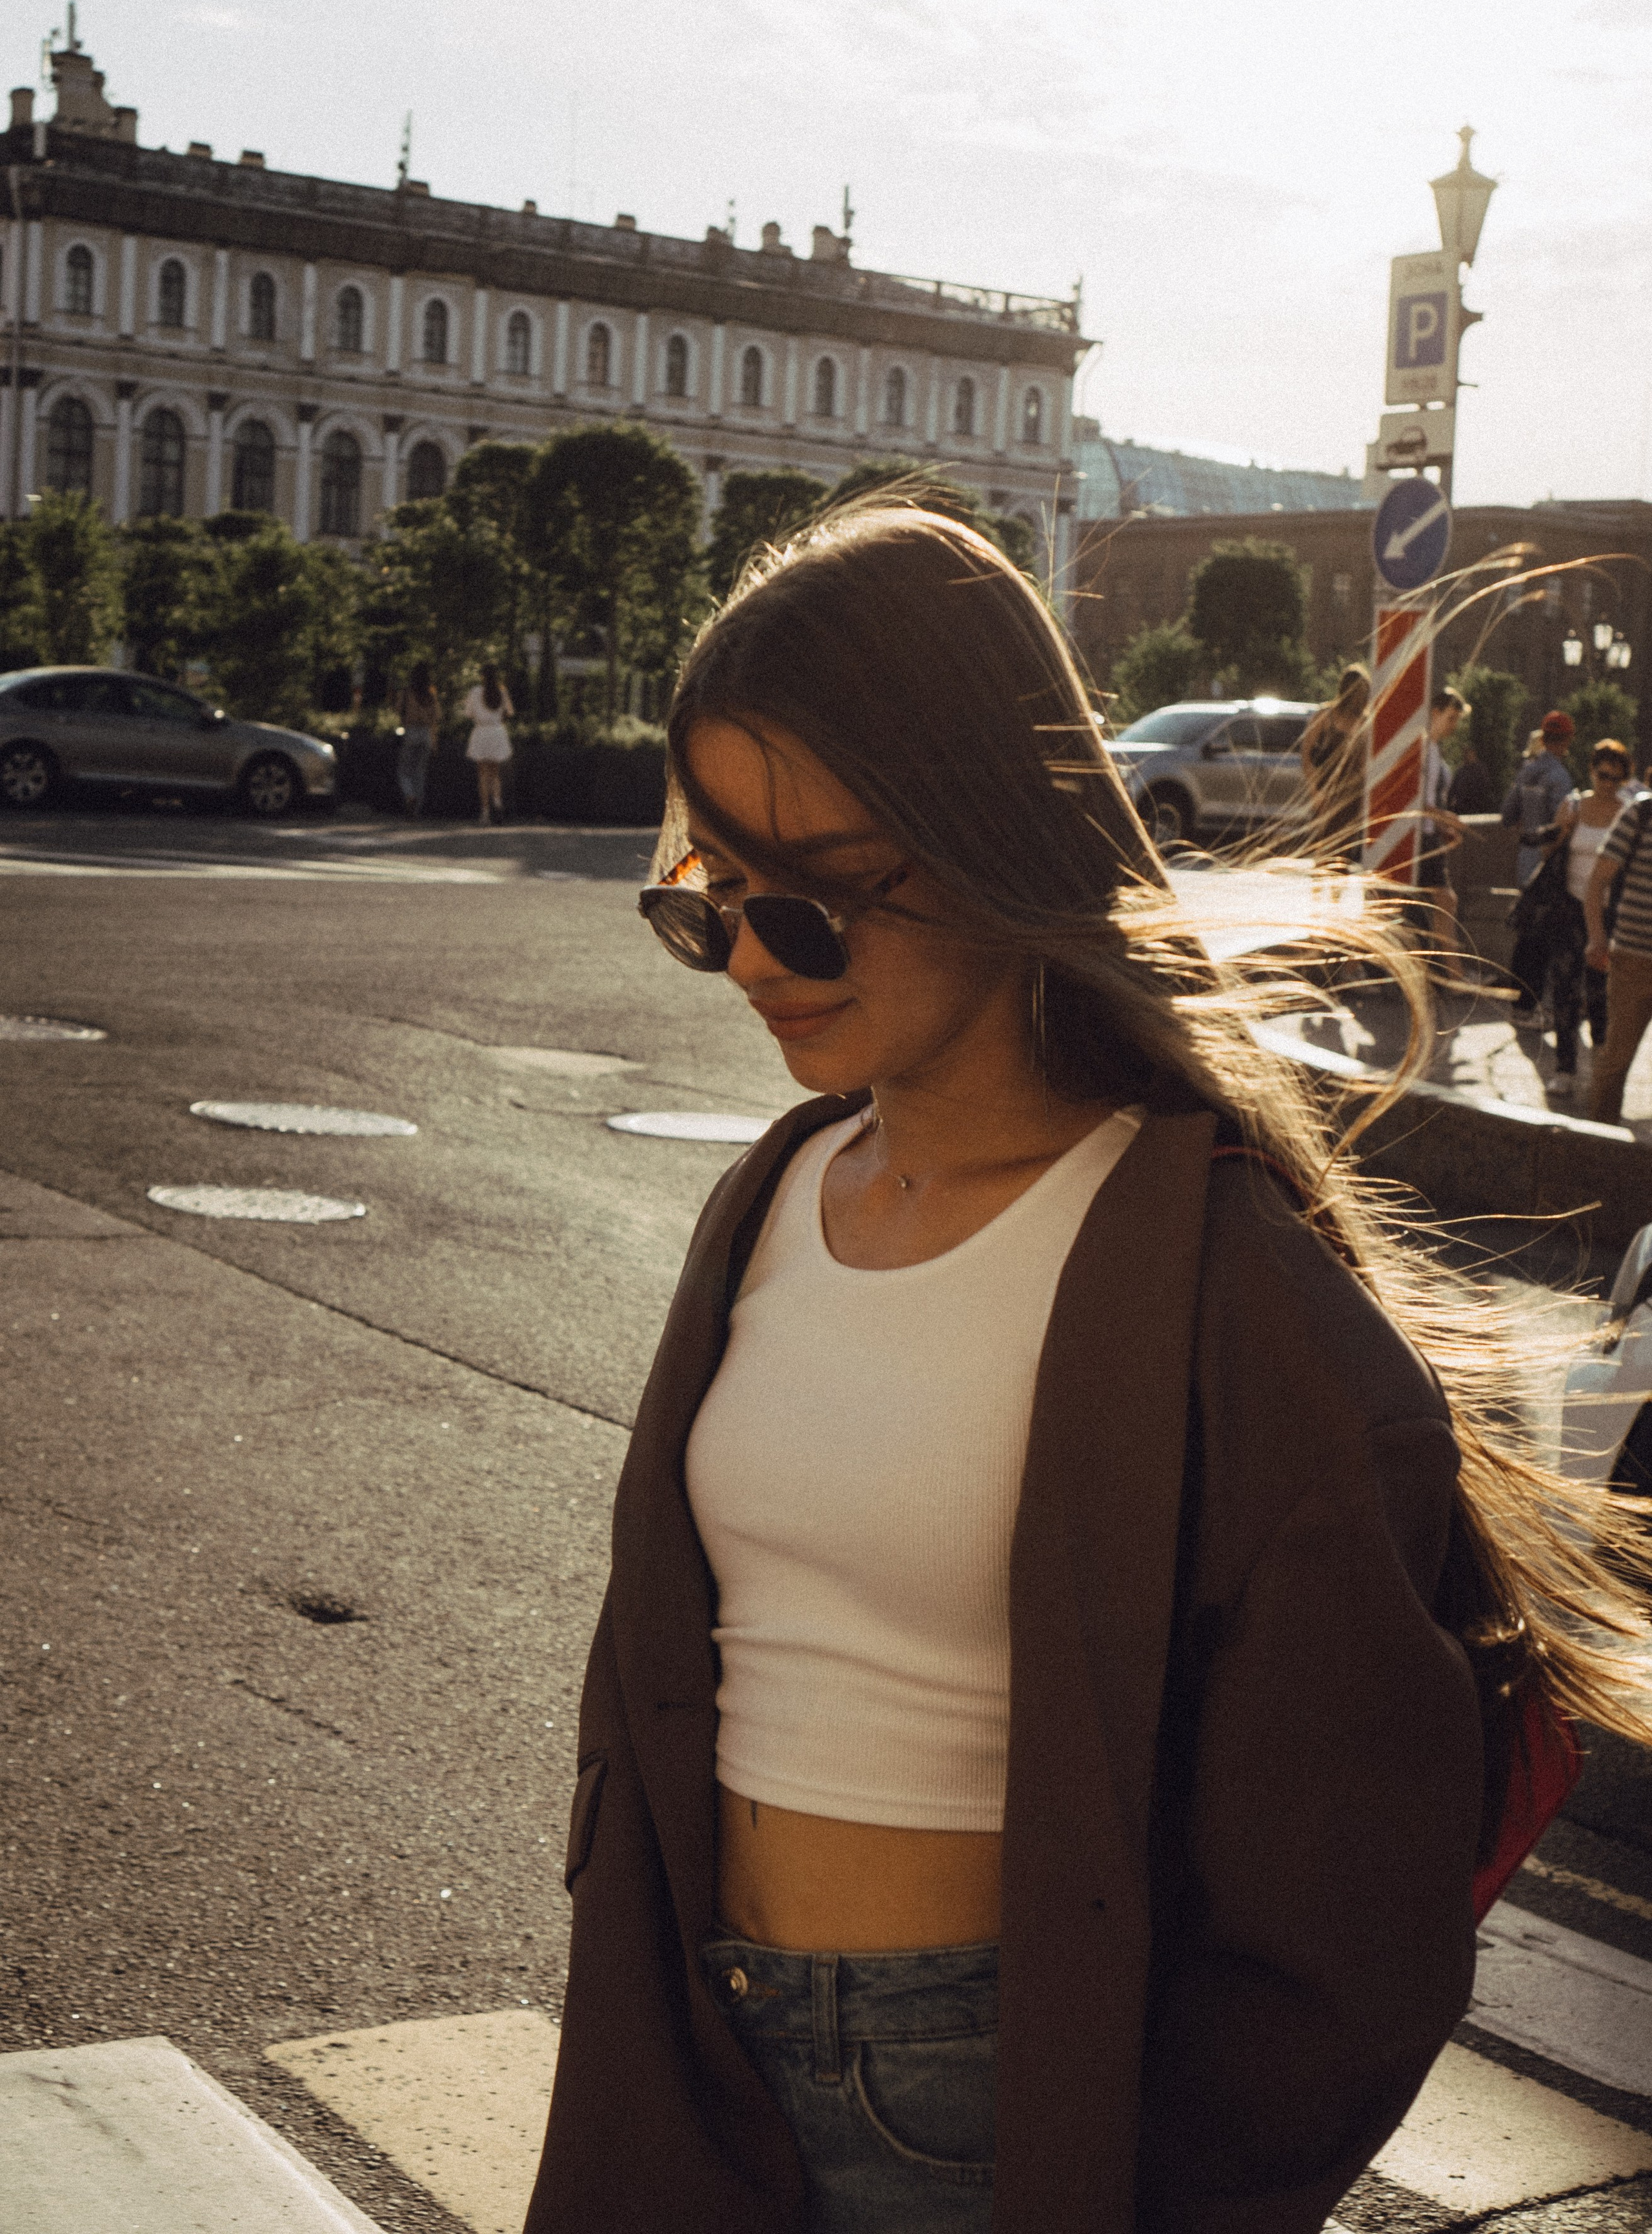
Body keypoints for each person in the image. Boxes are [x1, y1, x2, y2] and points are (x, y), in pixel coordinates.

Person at [524, 502, 1651, 2234]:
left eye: (813, 907)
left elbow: (1355, 1907)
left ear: (986, 843)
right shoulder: (769, 1198)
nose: (753, 961)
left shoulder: (1227, 1286)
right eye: (713, 902)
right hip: (689, 2069)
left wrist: (1165, 2187)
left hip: (999, 2120)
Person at [1540, 740, 1634, 1091]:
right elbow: (1548, 852)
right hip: (1569, 907)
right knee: (1564, 988)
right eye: (1602, 775)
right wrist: (1562, 829)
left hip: (1611, 912)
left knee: (1599, 991)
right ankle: (1565, 1068)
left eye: (1616, 778)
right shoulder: (1574, 805)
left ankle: (1600, 1061)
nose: (1607, 783)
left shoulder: (1628, 814)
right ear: (1592, 771)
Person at [1585, 760, 1652, 1123]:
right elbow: (1596, 883)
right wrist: (1597, 938)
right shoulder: (1639, 816)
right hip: (1634, 959)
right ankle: (1596, 1150)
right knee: (1617, 1059)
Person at [1298, 663, 1369, 869]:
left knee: (1344, 857)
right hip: (1326, 795)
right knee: (1323, 851)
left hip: (1351, 799)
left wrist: (1365, 802)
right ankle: (1319, 896)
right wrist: (1314, 793)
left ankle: (1335, 899)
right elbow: (1306, 756)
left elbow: (1365, 765)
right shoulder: (1324, 716)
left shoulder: (1364, 722)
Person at [1418, 687, 1469, 965]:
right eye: (1451, 718)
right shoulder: (1425, 747)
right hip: (1419, 836)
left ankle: (1449, 972)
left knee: (1443, 900)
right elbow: (1415, 801)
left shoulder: (1434, 749)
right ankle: (1452, 972)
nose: (1454, 726)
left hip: (1427, 834)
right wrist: (1445, 819)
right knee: (1445, 900)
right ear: (1435, 713)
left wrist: (1442, 825)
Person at [1502, 712, 1576, 891]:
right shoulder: (1561, 777)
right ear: (1567, 740)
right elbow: (1562, 826)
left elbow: (1507, 816)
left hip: (1525, 857)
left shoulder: (1525, 772)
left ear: (1542, 738)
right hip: (1550, 860)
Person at [463, 661, 514, 823]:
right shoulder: (502, 691)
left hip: (482, 732)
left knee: (483, 774)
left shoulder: (475, 691)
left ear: (482, 676)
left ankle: (485, 812)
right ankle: (497, 803)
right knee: (495, 773)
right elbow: (509, 712)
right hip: (497, 731)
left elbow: (469, 713)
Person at [396, 661, 441, 819]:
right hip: (426, 734)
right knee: (420, 773)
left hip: (411, 732)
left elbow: (399, 711)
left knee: (404, 771)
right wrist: (434, 741)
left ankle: (409, 795)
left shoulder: (408, 692)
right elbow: (435, 718)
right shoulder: (431, 693)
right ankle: (416, 811)